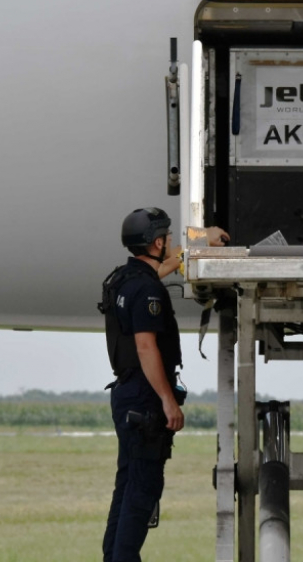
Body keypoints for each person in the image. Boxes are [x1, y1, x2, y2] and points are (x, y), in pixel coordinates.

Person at [99, 207, 227, 562]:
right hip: (145, 398)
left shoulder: (125, 277)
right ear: (155, 241)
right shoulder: (146, 289)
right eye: (167, 237)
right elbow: (146, 347)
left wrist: (203, 238)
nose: (171, 242)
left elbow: (167, 262)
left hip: (127, 395)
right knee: (142, 490)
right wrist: (168, 401)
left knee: (127, 487)